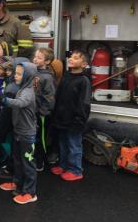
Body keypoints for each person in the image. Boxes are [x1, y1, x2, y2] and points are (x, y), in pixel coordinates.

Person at [0, 62, 38, 205]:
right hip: (18, 131)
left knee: (28, 163)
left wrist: (0, 98)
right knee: (17, 160)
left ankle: (30, 192)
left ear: (28, 76)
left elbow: (20, 103)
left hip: (27, 134)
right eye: (16, 73)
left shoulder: (28, 91)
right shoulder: (22, 88)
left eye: (19, 74)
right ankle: (18, 183)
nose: (16, 76)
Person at [50, 50, 91, 181]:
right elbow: (59, 97)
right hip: (62, 118)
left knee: (74, 145)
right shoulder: (66, 76)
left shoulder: (84, 80)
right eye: (71, 57)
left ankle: (76, 170)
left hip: (74, 120)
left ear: (84, 64)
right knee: (63, 143)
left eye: (76, 58)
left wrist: (80, 120)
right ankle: (63, 165)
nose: (71, 59)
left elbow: (84, 103)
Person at [32, 48, 57, 172]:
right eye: (35, 56)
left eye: (39, 57)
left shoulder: (47, 78)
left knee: (40, 138)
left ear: (47, 61)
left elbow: (50, 97)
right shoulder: (33, 72)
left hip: (40, 115)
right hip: (31, 112)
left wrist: (43, 112)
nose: (35, 59)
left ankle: (39, 161)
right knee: (32, 137)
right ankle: (32, 158)